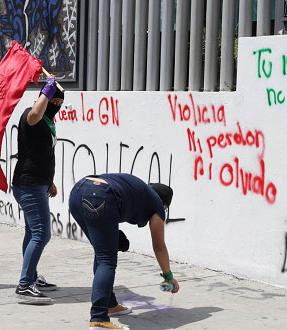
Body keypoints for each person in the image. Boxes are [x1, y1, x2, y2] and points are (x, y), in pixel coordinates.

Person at [68, 173, 180, 330]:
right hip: (100, 195)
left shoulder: (139, 191)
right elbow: (159, 246)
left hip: (78, 191)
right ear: (164, 205)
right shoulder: (156, 204)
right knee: (107, 260)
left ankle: (109, 304)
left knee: (102, 254)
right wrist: (169, 278)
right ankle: (99, 318)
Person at [12, 76, 64, 304]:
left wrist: (49, 181)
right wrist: (47, 90)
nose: (57, 108)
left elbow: (43, 154)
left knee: (32, 232)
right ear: (45, 98)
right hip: (28, 183)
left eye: (60, 105)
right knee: (42, 233)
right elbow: (35, 116)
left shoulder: (48, 122)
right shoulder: (30, 115)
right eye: (54, 103)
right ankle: (25, 285)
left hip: (38, 183)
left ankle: (31, 276)